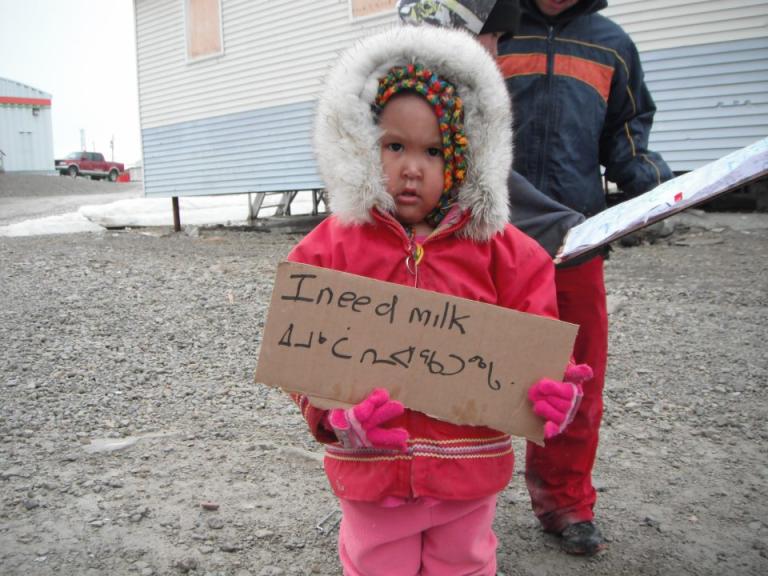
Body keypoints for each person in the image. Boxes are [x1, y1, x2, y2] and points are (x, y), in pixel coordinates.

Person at [285, 25, 592, 574]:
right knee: (377, 566)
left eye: (434, 150)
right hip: (372, 469)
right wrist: (334, 416)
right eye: (394, 146)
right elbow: (300, 345)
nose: (412, 167)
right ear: (359, 145)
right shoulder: (329, 247)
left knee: (465, 565)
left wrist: (553, 383)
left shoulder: (504, 252)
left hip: (468, 473)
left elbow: (535, 332)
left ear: (466, 156)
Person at [494, 0, 674, 555]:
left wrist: (651, 182)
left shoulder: (611, 44)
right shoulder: (492, 33)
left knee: (575, 377)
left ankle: (565, 501)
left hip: (577, 240)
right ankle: (450, 495)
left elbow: (626, 134)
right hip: (490, 236)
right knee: (469, 360)